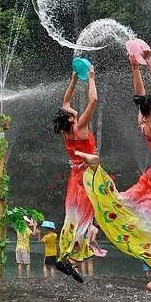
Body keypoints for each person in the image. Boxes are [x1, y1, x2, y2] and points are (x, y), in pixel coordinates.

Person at [78, 47, 151, 302]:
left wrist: (135, 67)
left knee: (128, 205)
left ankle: (96, 175)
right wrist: (149, 61)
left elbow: (141, 97)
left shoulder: (145, 124)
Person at [52, 67, 99, 283]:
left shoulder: (66, 131)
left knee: (72, 218)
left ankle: (65, 259)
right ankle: (71, 261)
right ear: (71, 120)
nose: (73, 110)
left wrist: (73, 79)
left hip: (74, 176)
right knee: (84, 219)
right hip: (87, 177)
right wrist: (90, 79)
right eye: (71, 113)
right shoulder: (79, 128)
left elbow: (66, 100)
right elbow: (94, 100)